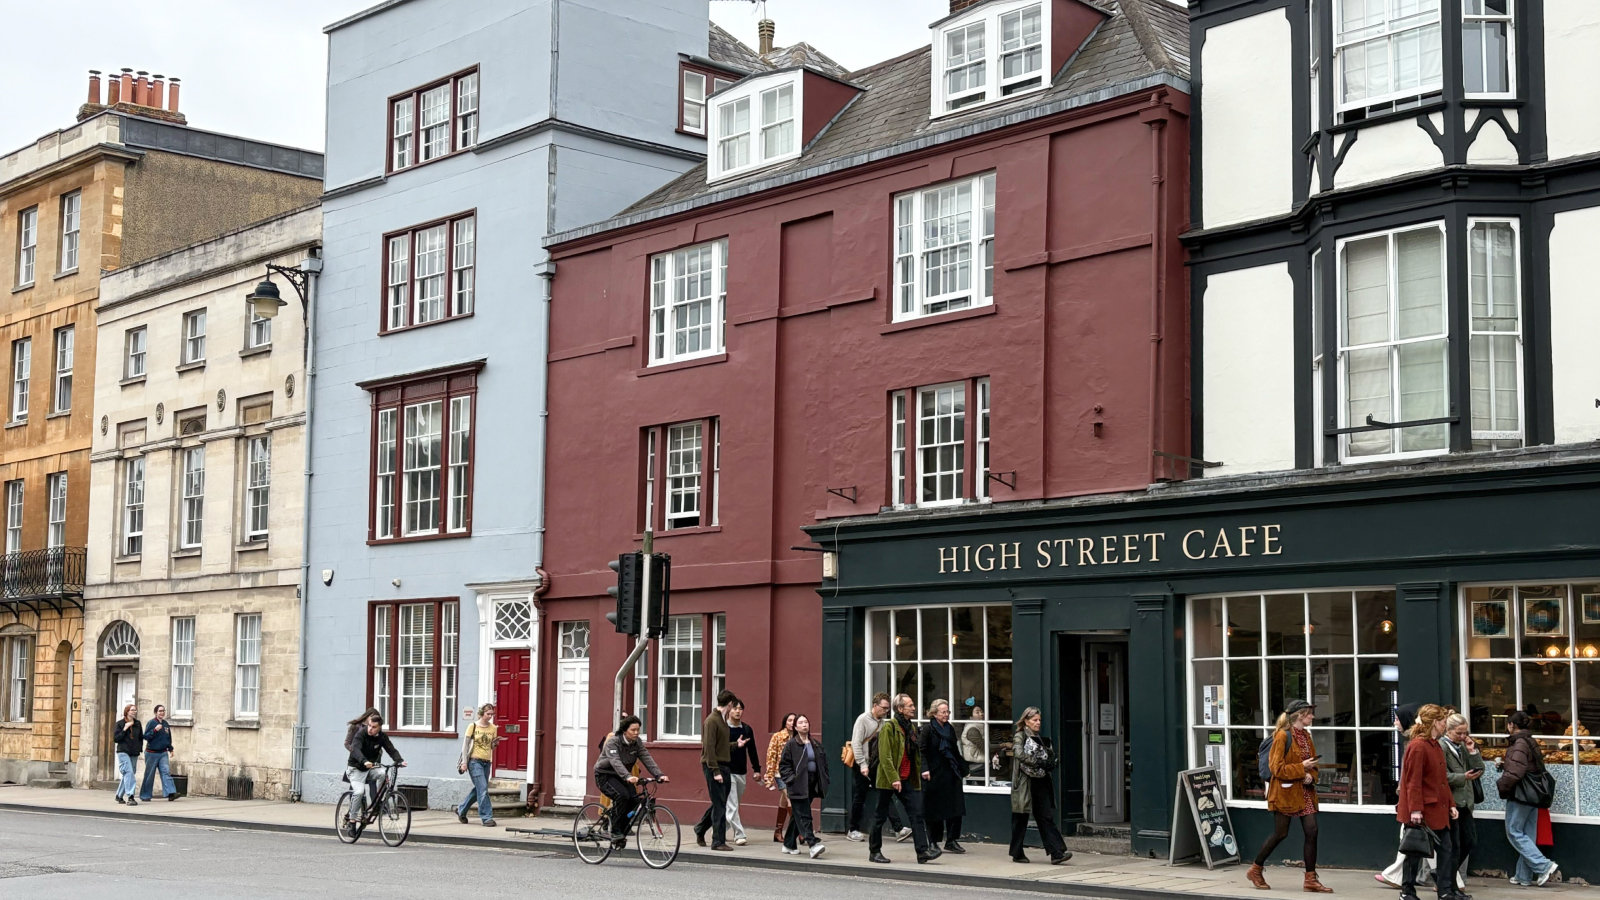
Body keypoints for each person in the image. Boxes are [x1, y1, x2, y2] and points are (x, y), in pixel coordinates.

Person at [1247, 699, 1329, 892]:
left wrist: (1311, 775)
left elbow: (1313, 764)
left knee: (1312, 831)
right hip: (1285, 793)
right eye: (1309, 714)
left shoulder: (1307, 736)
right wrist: (1302, 769)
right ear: (1300, 715)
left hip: (1305, 792)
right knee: (1280, 833)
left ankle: (1310, 879)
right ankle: (1255, 869)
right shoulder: (1282, 736)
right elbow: (1276, 768)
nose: (1312, 717)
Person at [870, 693, 938, 864]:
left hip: (907, 778)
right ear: (900, 709)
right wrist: (894, 778)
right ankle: (874, 851)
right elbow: (885, 757)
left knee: (917, 814)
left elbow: (915, 754)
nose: (913, 708)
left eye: (913, 705)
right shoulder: (889, 728)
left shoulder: (911, 728)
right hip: (888, 779)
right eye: (910, 705)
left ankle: (922, 852)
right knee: (880, 816)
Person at [1398, 704, 1457, 900]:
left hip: (1438, 807)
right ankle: (1407, 891)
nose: (1444, 727)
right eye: (1442, 723)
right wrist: (1415, 810)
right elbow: (1413, 781)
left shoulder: (1435, 745)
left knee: (1447, 850)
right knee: (1414, 851)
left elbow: (1442, 780)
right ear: (1433, 723)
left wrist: (1451, 804)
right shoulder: (1418, 746)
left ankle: (1445, 891)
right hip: (1424, 810)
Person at [1498, 710, 1558, 887]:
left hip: (1521, 794)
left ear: (1511, 725)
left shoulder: (1519, 743)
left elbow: (1516, 771)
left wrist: (1502, 785)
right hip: (1534, 794)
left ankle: (1544, 865)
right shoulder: (1530, 740)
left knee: (1514, 832)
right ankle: (1523, 876)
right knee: (1528, 835)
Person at [594, 715, 667, 847]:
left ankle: (621, 830)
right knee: (622, 796)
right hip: (605, 775)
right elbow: (615, 761)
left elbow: (646, 757)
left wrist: (659, 775)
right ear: (624, 731)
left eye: (638, 730)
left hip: (622, 776)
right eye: (633, 730)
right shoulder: (613, 742)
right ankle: (615, 831)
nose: (636, 733)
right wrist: (627, 776)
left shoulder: (637, 742)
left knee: (634, 800)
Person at [1009, 707, 1070, 865]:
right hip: (1025, 782)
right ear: (1026, 721)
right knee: (1021, 818)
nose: (1038, 723)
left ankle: (1057, 852)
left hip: (1040, 780)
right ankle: (1016, 852)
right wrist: (1038, 762)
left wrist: (1049, 762)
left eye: (1039, 720)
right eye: (1035, 720)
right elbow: (1018, 753)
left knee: (1045, 816)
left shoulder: (1039, 738)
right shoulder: (1020, 736)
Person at [1380, 704, 1432, 888]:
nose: (1394, 722)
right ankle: (1396, 875)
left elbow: (1413, 777)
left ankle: (1396, 876)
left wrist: (1407, 796)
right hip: (1412, 799)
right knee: (1414, 838)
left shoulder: (1415, 744)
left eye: (1397, 718)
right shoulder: (1413, 742)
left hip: (1416, 800)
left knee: (1412, 838)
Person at [848, 693, 908, 843]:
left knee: (885, 793)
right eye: (884, 708)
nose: (886, 711)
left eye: (888, 709)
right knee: (859, 796)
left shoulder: (883, 722)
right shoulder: (862, 720)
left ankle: (899, 828)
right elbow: (856, 743)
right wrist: (862, 764)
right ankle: (853, 829)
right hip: (863, 764)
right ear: (875, 706)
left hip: (876, 764)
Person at [1441, 713, 1484, 896]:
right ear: (1448, 730)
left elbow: (1480, 769)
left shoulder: (1463, 746)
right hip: (1451, 802)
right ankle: (1448, 884)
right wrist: (1462, 777)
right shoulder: (1442, 747)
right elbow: (1440, 776)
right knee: (1455, 845)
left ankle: (1445, 877)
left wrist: (1472, 751)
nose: (1462, 736)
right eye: (1458, 733)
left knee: (1469, 841)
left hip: (1466, 802)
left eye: (1465, 732)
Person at [919, 699, 968, 853]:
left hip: (951, 772)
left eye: (948, 712)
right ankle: (933, 841)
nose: (946, 715)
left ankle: (952, 840)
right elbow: (922, 751)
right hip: (934, 774)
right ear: (934, 713)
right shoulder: (928, 730)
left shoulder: (950, 729)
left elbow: (955, 750)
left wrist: (963, 767)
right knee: (935, 809)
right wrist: (924, 769)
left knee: (956, 807)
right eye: (943, 712)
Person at [778, 714, 830, 859]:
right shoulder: (791, 745)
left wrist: (825, 777)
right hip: (797, 783)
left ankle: (788, 844)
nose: (804, 725)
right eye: (800, 723)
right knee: (804, 815)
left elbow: (823, 762)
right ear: (795, 727)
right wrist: (791, 780)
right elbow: (784, 765)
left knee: (797, 815)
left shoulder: (815, 744)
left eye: (806, 722)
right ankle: (812, 844)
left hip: (812, 783)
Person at [345, 711, 405, 829]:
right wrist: (364, 761)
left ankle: (378, 801)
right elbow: (355, 749)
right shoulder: (361, 734)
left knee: (383, 773)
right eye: (369, 726)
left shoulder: (382, 737)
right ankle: (352, 821)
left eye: (374, 727)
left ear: (379, 727)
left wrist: (399, 761)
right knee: (359, 792)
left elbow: (391, 749)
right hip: (356, 769)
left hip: (370, 769)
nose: (370, 729)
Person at [694, 690, 737, 851]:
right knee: (720, 805)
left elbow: (720, 745)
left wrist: (735, 745)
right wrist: (715, 771)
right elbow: (709, 748)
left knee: (720, 803)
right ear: (730, 704)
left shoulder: (722, 720)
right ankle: (718, 841)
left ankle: (700, 828)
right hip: (715, 766)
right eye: (734, 706)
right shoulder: (712, 721)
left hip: (723, 766)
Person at [456, 703, 504, 827]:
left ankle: (461, 809)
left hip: (486, 762)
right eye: (488, 714)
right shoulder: (472, 726)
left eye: (492, 714)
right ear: (482, 713)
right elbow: (465, 745)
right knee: (483, 789)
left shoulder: (493, 728)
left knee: (480, 788)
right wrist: (464, 763)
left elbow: (491, 746)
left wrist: (496, 743)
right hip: (474, 761)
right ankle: (487, 817)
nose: (490, 716)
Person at [725, 699, 761, 845]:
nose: (738, 711)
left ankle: (719, 829)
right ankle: (739, 834)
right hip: (727, 770)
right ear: (729, 710)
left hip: (741, 771)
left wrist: (757, 769)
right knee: (732, 804)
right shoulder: (723, 728)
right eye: (735, 708)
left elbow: (752, 750)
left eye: (740, 708)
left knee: (734, 803)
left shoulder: (746, 729)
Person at [764, 712, 796, 842]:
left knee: (784, 799)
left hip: (795, 775)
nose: (792, 723)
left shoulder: (799, 738)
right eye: (790, 720)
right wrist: (770, 776)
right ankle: (799, 831)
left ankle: (778, 831)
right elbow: (771, 756)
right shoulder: (777, 737)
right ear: (785, 722)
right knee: (791, 799)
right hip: (780, 773)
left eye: (795, 720)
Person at [138, 704, 178, 802]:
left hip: (163, 752)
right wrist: (155, 730)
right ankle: (145, 795)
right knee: (149, 774)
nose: (162, 713)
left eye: (163, 711)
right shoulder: (151, 723)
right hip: (152, 753)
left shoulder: (165, 724)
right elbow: (146, 736)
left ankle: (171, 793)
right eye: (160, 711)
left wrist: (170, 748)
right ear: (156, 712)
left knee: (166, 772)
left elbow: (168, 738)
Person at [113, 703, 142, 805]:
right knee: (129, 772)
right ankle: (130, 796)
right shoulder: (120, 724)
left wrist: (139, 749)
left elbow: (140, 738)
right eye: (132, 710)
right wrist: (125, 728)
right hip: (123, 751)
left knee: (129, 774)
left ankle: (119, 795)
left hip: (134, 752)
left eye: (135, 710)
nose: (134, 712)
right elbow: (116, 739)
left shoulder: (137, 724)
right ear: (127, 712)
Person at [960, 704, 986, 776]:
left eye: (982, 711)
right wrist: (1003, 745)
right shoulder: (972, 729)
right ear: (971, 717)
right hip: (975, 762)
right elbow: (984, 746)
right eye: (977, 712)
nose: (981, 714)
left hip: (979, 759)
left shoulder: (981, 726)